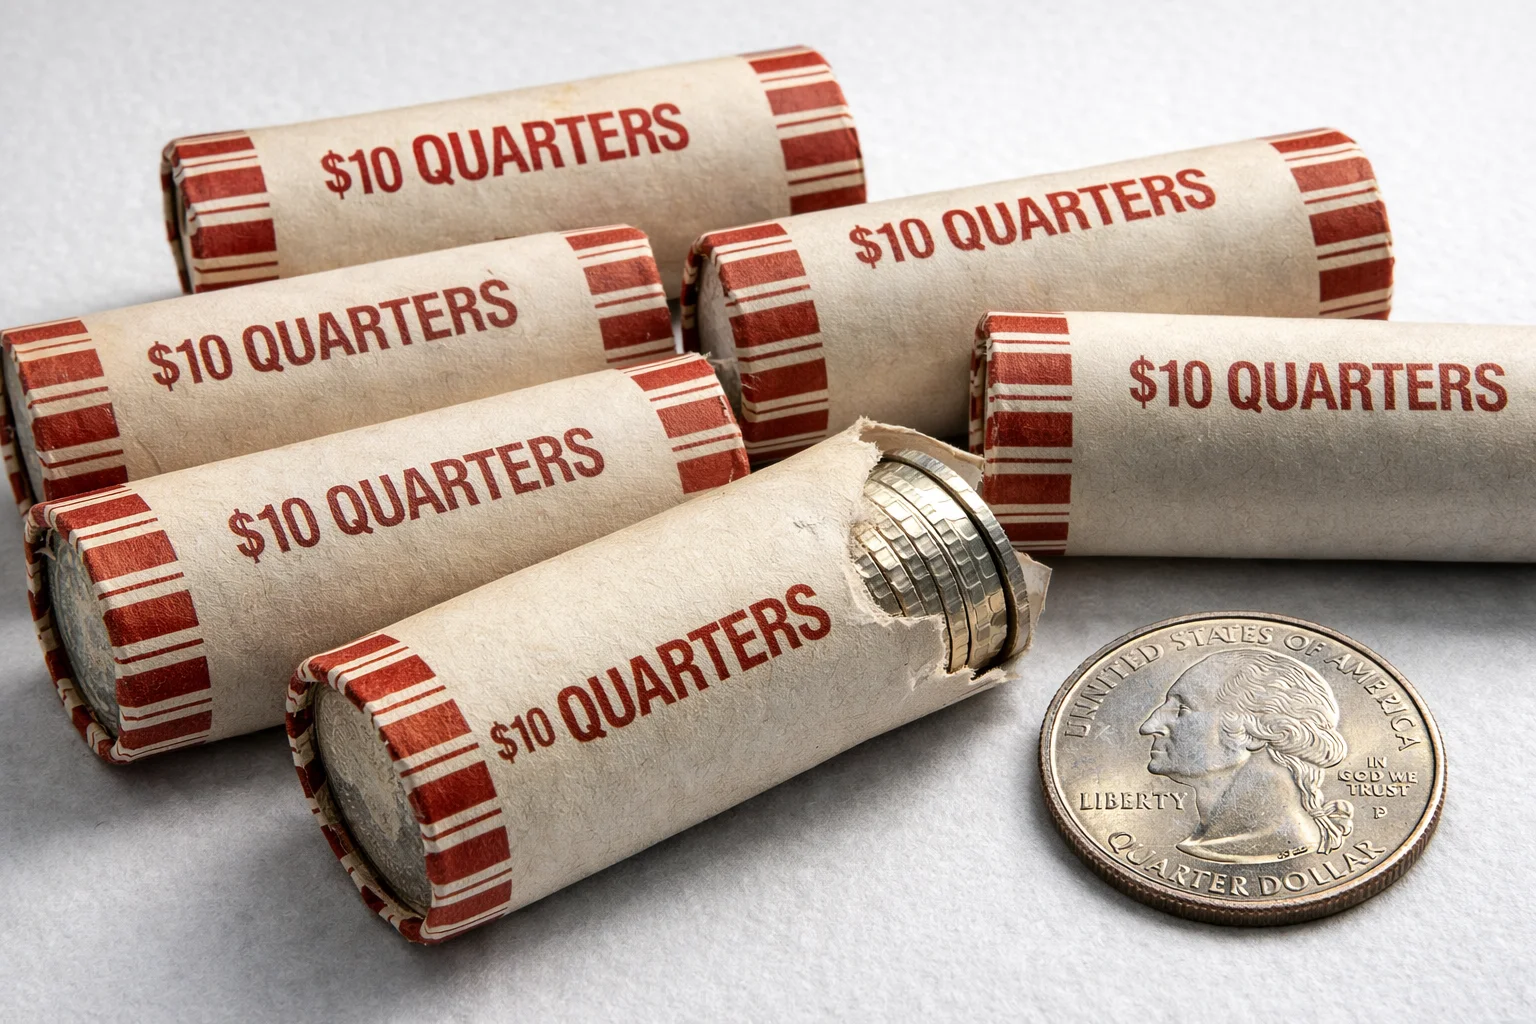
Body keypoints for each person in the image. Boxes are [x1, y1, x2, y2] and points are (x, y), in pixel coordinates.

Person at [1138, 648, 1354, 864]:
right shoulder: (1207, 841)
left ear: (1255, 731)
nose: (1149, 727)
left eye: (1182, 709)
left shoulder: (1271, 844)